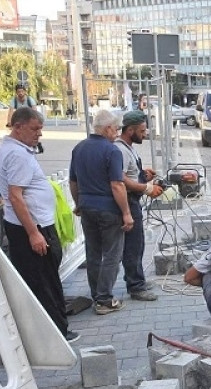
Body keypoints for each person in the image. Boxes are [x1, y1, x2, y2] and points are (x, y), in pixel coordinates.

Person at [0, 107, 77, 343]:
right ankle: (57, 334)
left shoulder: (16, 149)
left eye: (40, 129)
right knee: (44, 282)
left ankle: (56, 330)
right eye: (34, 129)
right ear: (17, 127)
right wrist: (33, 233)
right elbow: (16, 196)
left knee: (46, 277)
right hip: (32, 227)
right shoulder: (17, 155)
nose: (39, 134)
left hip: (34, 224)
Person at [69, 109, 133, 315]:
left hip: (87, 207)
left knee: (93, 252)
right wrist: (126, 213)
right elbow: (117, 184)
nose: (117, 133)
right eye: (116, 129)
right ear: (107, 129)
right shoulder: (112, 151)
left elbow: (73, 181)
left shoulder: (79, 148)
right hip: (108, 209)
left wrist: (78, 203)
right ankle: (104, 299)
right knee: (113, 254)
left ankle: (96, 294)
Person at [115, 110, 163, 302]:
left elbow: (130, 174)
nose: (144, 134)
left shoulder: (129, 148)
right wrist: (146, 188)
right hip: (128, 200)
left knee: (139, 243)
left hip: (133, 199)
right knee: (133, 246)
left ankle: (137, 279)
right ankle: (135, 286)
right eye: (142, 131)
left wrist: (143, 175)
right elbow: (120, 179)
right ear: (130, 130)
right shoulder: (120, 149)